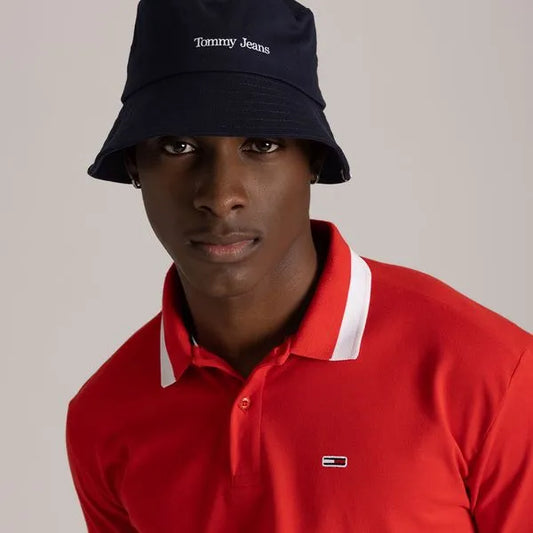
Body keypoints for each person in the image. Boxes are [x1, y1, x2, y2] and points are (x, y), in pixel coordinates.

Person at [65, 0, 533, 531]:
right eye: (179, 145)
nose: (220, 195)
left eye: (261, 144)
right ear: (134, 165)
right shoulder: (103, 418)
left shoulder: (491, 375)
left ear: (313, 159)